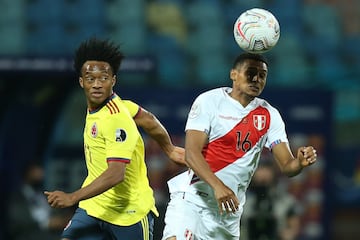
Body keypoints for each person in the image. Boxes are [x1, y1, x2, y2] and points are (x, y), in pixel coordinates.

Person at [161, 53, 318, 240]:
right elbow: (192, 154)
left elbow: (287, 166)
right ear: (233, 74)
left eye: (262, 75)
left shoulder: (270, 115)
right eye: (250, 73)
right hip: (192, 199)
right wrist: (218, 187)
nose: (256, 79)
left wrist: (299, 163)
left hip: (228, 211)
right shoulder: (209, 101)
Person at [44, 37, 185, 240]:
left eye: (103, 78)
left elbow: (116, 174)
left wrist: (72, 197)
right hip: (95, 206)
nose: (97, 84)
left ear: (113, 80)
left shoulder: (116, 118)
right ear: (81, 81)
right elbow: (149, 120)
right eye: (91, 79)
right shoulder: (118, 106)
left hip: (129, 213)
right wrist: (169, 148)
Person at [8, 161, 72, 240]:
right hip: (30, 235)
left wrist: (62, 218)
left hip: (52, 233)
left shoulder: (43, 194)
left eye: (41, 171)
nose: (40, 174)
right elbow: (19, 222)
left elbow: (54, 211)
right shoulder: (18, 196)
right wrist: (48, 224)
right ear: (28, 173)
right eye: (36, 172)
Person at [240, 160, 302, 240]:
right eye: (260, 170)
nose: (263, 175)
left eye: (266, 170)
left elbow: (293, 225)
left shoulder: (285, 200)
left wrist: (288, 234)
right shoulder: (242, 200)